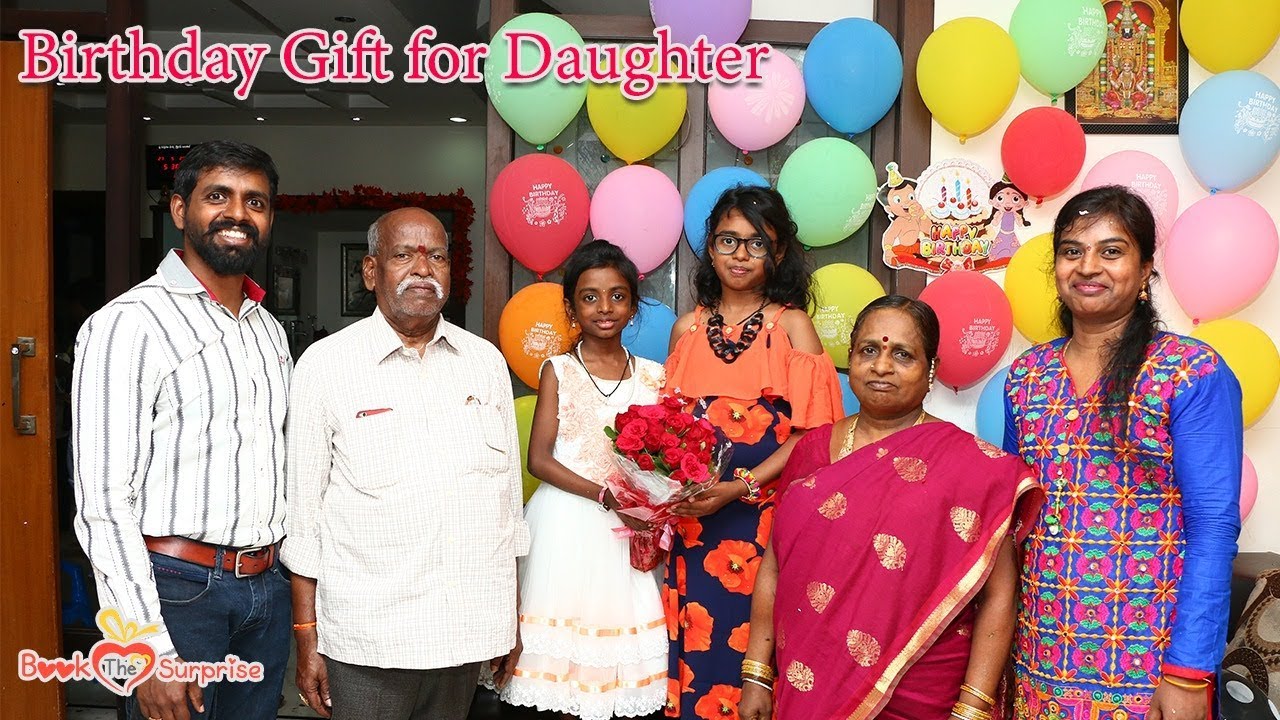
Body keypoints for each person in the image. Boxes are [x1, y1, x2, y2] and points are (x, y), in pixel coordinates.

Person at [736, 296, 1044, 720]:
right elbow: (776, 563)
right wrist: (756, 673)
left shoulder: (972, 468)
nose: (882, 367)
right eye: (869, 350)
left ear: (930, 369)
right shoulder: (810, 450)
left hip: (920, 688)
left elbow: (998, 594)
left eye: (902, 354)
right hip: (809, 681)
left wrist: (973, 705)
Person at [1004, 185, 1243, 720]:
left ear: (1146, 270)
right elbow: (1012, 520)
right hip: (1040, 659)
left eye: (1111, 251)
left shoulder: (1188, 372)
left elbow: (1213, 526)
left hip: (1149, 665)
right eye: (1071, 250)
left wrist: (1187, 673)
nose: (1088, 266)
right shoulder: (1025, 377)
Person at [71, 140, 291, 720]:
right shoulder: (127, 324)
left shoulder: (268, 331)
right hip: (174, 592)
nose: (238, 214)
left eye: (256, 202)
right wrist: (144, 646)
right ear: (177, 210)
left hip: (264, 590)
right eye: (217, 196)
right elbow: (102, 504)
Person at [282, 207, 529, 720]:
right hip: (369, 641)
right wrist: (307, 639)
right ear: (371, 271)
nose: (423, 268)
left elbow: (508, 509)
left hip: (466, 631)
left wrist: (508, 620)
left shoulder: (484, 362)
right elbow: (304, 521)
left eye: (436, 255)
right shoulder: (326, 365)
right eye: (403, 255)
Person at [661, 186, 844, 718]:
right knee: (695, 653)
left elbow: (814, 437)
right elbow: (668, 433)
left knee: (756, 667)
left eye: (755, 242)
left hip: (763, 524)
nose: (740, 255)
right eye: (728, 240)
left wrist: (739, 488)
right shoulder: (687, 330)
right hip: (695, 526)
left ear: (779, 251)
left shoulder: (790, 327)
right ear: (709, 249)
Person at [493, 240, 668, 719]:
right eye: (590, 297)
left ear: (633, 304)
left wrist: (652, 501)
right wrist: (603, 493)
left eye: (617, 295)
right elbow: (539, 459)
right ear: (571, 307)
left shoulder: (654, 377)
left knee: (617, 667)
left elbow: (662, 458)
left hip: (628, 530)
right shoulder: (559, 371)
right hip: (567, 525)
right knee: (563, 668)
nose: (604, 308)